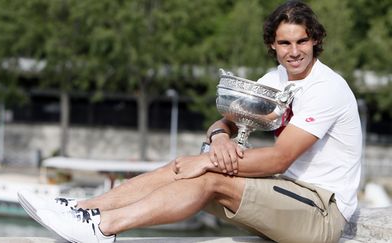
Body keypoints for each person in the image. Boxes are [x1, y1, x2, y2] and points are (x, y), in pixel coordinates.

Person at [18, 1, 362, 242]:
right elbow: (222, 122)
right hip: (285, 193)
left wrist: (208, 161)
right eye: (284, 42)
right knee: (182, 166)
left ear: (315, 39)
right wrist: (219, 141)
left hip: (321, 211)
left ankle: (104, 228)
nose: (294, 51)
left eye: (302, 41)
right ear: (273, 45)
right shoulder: (275, 78)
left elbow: (279, 158)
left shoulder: (326, 88)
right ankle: (83, 210)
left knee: (208, 178)